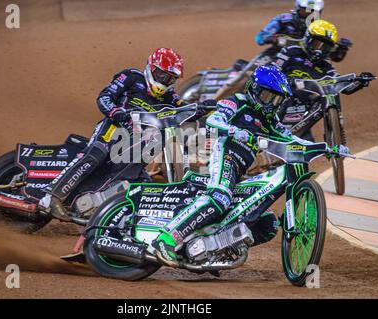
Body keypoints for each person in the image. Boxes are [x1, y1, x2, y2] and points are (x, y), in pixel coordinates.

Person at [151, 65, 348, 266]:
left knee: (267, 223)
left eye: (276, 99)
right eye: (266, 95)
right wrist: (235, 131)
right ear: (254, 89)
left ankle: (215, 249)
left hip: (241, 172)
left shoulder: (271, 121)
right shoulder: (237, 102)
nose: (270, 103)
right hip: (224, 157)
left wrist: (327, 148)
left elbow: (294, 142)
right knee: (219, 198)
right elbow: (214, 121)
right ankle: (165, 239)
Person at [39, 48, 187, 220]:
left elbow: (184, 107)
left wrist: (205, 107)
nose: (165, 81)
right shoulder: (131, 77)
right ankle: (51, 197)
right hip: (113, 128)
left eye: (171, 78)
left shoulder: (169, 96)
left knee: (141, 182)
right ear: (152, 68)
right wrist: (115, 111)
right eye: (163, 75)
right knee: (96, 154)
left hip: (136, 143)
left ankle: (103, 216)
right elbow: (104, 97)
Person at [271, 19, 366, 141]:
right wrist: (286, 81)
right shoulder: (292, 51)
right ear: (308, 39)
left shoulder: (325, 66)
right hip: (282, 100)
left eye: (325, 47)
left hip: (304, 108)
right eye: (317, 44)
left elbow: (341, 85)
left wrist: (360, 82)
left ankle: (336, 135)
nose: (319, 51)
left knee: (331, 92)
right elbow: (273, 70)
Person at [255, 0, 350, 62]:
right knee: (252, 70)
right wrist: (268, 38)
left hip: (304, 61)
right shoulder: (283, 19)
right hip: (275, 54)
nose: (308, 17)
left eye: (312, 14)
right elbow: (260, 37)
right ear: (297, 9)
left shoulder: (320, 28)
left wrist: (339, 49)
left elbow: (329, 53)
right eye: (305, 12)